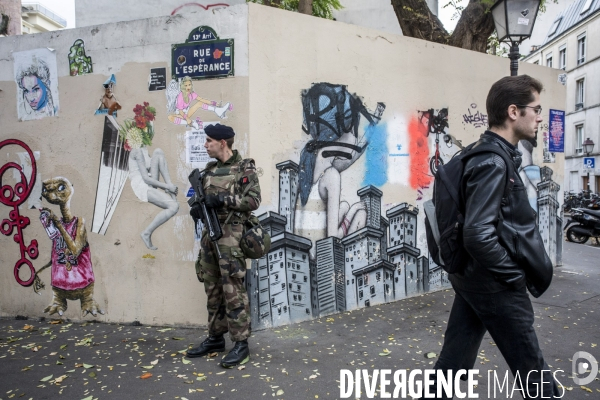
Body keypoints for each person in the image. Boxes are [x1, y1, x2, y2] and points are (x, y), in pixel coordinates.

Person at [427, 75, 560, 399]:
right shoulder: (492, 161)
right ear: (514, 112)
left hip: (471, 279)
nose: (540, 117)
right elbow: (477, 232)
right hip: (494, 285)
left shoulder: (479, 152)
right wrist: (512, 276)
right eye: (536, 109)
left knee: (453, 361)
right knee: (537, 379)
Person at [186, 123, 261, 368]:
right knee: (212, 288)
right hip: (210, 235)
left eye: (209, 140)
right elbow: (198, 199)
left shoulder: (244, 168)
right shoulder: (208, 171)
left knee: (232, 290)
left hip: (231, 235)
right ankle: (216, 338)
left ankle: (241, 344)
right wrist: (197, 208)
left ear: (223, 142)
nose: (205, 145)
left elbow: (253, 200)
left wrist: (222, 198)